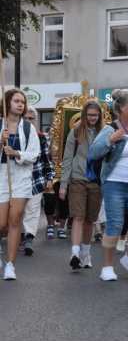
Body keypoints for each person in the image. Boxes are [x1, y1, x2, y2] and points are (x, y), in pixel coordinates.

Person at [88, 89, 128, 281]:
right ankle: (107, 267)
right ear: (122, 108)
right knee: (115, 224)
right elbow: (93, 152)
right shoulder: (110, 128)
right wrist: (110, 140)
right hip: (115, 183)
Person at [0, 89, 40, 279]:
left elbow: (35, 153)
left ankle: (10, 265)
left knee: (15, 219)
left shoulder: (28, 128)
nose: (20, 104)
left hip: (21, 177)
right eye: (16, 101)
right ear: (7, 102)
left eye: (22, 102)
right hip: (1, 176)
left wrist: (16, 153)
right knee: (2, 224)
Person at [59, 100, 104, 270]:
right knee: (77, 216)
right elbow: (67, 158)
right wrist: (63, 184)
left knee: (90, 220)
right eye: (89, 114)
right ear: (84, 115)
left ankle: (86, 253)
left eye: (95, 115)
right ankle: (75, 253)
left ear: (99, 116)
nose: (92, 118)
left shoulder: (105, 132)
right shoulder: (76, 131)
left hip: (96, 181)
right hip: (77, 179)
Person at [22, 107, 55, 256]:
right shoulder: (14, 135)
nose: (28, 121)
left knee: (33, 210)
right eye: (26, 118)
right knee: (18, 211)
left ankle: (29, 237)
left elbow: (47, 159)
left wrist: (50, 177)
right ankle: (20, 234)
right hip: (18, 179)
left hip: (36, 178)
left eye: (31, 118)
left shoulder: (42, 137)